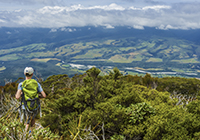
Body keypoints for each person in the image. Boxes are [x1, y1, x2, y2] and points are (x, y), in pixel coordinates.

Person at [15, 67, 46, 131]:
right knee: (32, 119)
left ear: (24, 74)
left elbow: (17, 97)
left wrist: (21, 93)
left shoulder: (21, 84)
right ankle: (32, 131)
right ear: (32, 74)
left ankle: (26, 135)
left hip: (25, 106)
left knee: (26, 122)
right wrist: (37, 96)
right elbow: (44, 95)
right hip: (35, 105)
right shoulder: (36, 83)